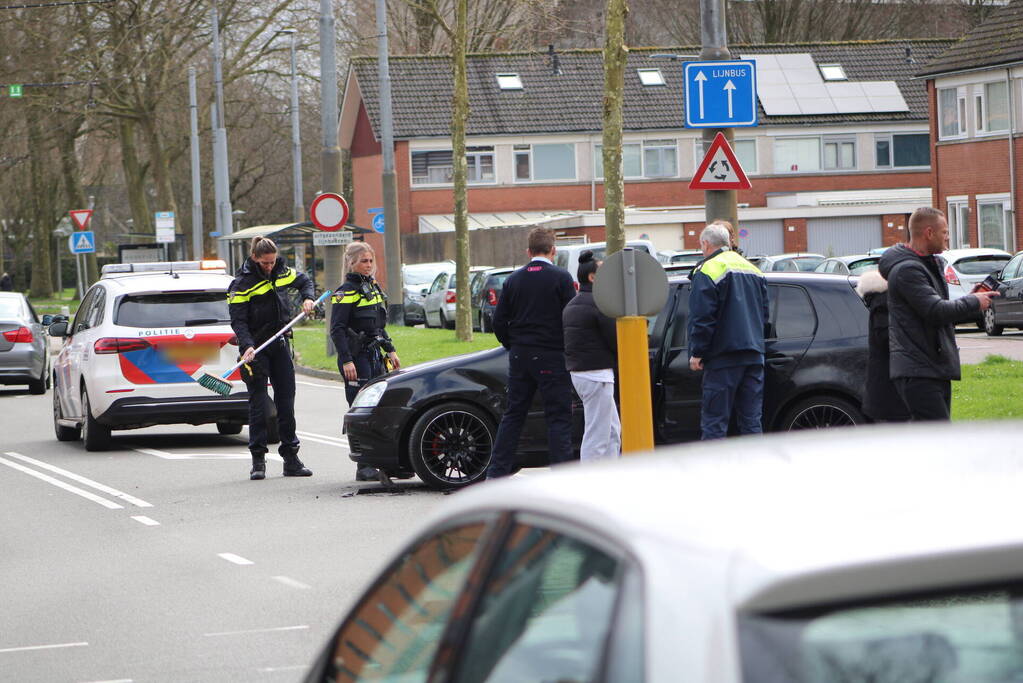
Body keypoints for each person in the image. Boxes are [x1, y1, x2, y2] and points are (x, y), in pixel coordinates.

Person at [878, 207, 998, 421]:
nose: (948, 238)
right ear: (929, 233)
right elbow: (936, 311)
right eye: (944, 232)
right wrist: (973, 301)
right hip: (918, 370)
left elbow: (938, 311)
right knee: (938, 439)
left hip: (931, 367)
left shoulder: (928, 264)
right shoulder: (908, 271)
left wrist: (969, 300)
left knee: (931, 440)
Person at [487, 227, 576, 478]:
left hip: (521, 356)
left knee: (514, 414)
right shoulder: (561, 278)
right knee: (558, 415)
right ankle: (562, 474)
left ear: (528, 251)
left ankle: (497, 473)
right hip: (551, 354)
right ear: (553, 250)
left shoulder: (513, 280)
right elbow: (570, 317)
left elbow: (498, 321)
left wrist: (512, 344)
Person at [228, 236, 316, 480]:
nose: (269, 266)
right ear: (255, 258)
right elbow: (238, 320)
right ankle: (258, 461)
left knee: (286, 402)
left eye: (272, 262)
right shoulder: (241, 284)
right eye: (265, 263)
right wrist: (246, 346)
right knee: (258, 405)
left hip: (279, 344)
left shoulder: (282, 271)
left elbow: (304, 280)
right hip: (255, 349)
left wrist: (308, 297)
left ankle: (291, 458)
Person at [687, 223, 769, 440]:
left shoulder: (707, 270)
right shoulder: (753, 269)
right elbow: (764, 316)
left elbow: (703, 318)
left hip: (723, 358)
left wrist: (697, 353)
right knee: (751, 422)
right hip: (754, 355)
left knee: (715, 424)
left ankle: (715, 472)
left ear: (705, 244)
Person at [330, 241, 400, 481]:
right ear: (352, 263)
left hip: (373, 355)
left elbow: (377, 326)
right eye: (363, 261)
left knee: (379, 409)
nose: (368, 265)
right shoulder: (345, 291)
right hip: (356, 358)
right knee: (361, 410)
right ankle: (363, 466)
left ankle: (382, 461)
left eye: (370, 261)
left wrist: (390, 350)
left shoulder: (372, 287)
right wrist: (347, 360)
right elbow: (337, 330)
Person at [562, 251, 620, 461]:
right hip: (597, 375)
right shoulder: (600, 304)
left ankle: (609, 477)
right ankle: (591, 481)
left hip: (582, 374)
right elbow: (615, 340)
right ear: (592, 277)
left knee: (612, 430)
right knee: (598, 436)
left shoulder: (572, 305)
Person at [856, 269, 910, 422]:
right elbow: (885, 337)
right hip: (889, 384)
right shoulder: (883, 303)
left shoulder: (877, 302)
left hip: (883, 382)